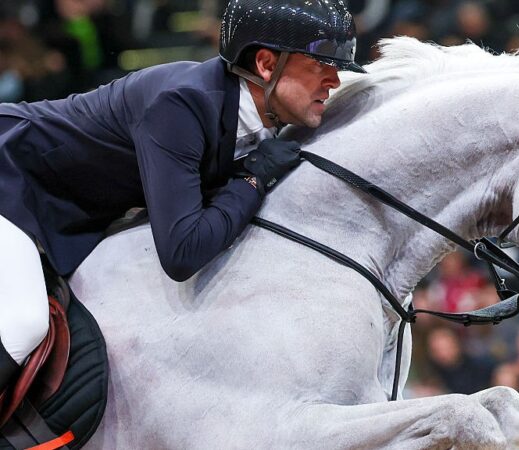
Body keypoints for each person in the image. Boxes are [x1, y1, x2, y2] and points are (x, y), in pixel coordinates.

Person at [0, 0, 365, 396]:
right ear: (265, 64)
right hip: (12, 179)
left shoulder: (265, 118)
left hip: (59, 210)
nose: (334, 81)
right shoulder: (181, 104)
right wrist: (254, 179)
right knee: (24, 323)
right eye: (320, 65)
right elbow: (182, 251)